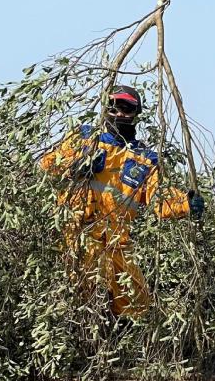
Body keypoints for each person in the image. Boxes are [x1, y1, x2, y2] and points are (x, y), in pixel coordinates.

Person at [40, 85, 204, 314]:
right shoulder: (86, 138)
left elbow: (160, 200)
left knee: (137, 304)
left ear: (136, 113)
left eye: (126, 108)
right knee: (83, 300)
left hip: (118, 239)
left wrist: (186, 204)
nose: (119, 113)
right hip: (79, 234)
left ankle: (120, 339)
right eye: (114, 106)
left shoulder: (145, 158)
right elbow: (48, 164)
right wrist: (77, 165)